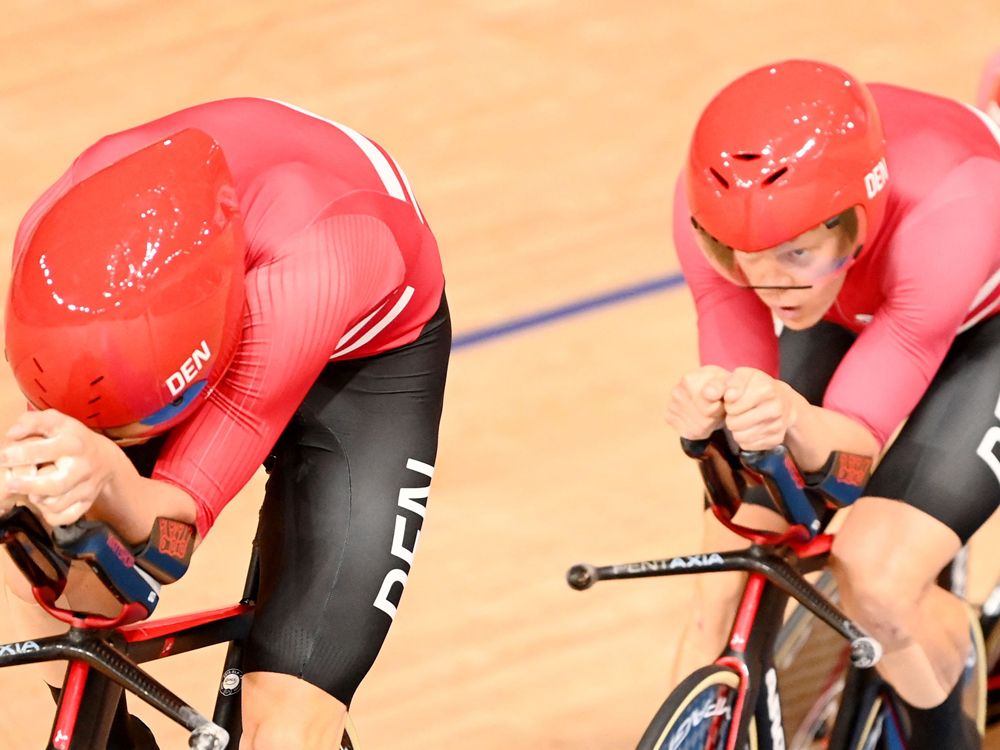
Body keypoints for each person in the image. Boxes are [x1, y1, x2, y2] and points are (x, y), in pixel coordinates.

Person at [0, 98, 451, 749]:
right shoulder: (54, 249)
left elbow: (174, 537)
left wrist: (114, 484)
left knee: (287, 735)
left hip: (363, 353)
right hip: (175, 314)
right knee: (37, 561)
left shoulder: (310, 266)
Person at [666, 59, 1000, 749]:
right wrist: (713, 429)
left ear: (857, 219)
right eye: (738, 258)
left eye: (794, 254)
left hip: (978, 324)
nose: (763, 284)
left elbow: (850, 456)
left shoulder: (957, 209)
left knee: (877, 578)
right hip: (858, 303)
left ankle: (948, 702)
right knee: (722, 573)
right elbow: (747, 423)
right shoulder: (719, 218)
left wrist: (787, 421)